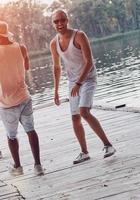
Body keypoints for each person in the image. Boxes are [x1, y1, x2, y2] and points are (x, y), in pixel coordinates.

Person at [50, 10, 116, 164]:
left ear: (67, 20)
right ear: (53, 23)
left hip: (88, 78)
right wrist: (55, 91)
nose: (59, 23)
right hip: (73, 82)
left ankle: (108, 145)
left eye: (62, 20)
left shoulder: (79, 35)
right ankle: (84, 152)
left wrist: (79, 83)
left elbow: (89, 62)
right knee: (75, 117)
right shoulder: (54, 43)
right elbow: (57, 67)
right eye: (56, 21)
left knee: (84, 111)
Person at [0, 21, 44, 176]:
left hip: (7, 102)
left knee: (11, 136)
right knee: (31, 130)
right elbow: (27, 66)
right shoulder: (21, 47)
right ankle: (38, 166)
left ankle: (18, 167)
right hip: (24, 97)